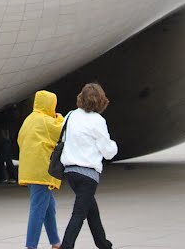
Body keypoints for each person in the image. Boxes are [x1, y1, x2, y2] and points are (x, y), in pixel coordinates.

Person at [59, 83, 118, 249]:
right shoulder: (98, 121)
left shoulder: (70, 116)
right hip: (88, 175)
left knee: (91, 210)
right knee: (79, 214)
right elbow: (108, 151)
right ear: (100, 100)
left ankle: (103, 243)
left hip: (70, 172)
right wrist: (114, 145)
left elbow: (63, 140)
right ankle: (66, 246)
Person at [17, 90, 65, 249]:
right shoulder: (46, 120)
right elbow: (61, 131)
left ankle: (56, 242)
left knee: (49, 207)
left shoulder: (29, 119)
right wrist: (59, 117)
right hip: (42, 172)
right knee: (38, 210)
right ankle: (31, 246)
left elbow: (20, 139)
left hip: (29, 170)